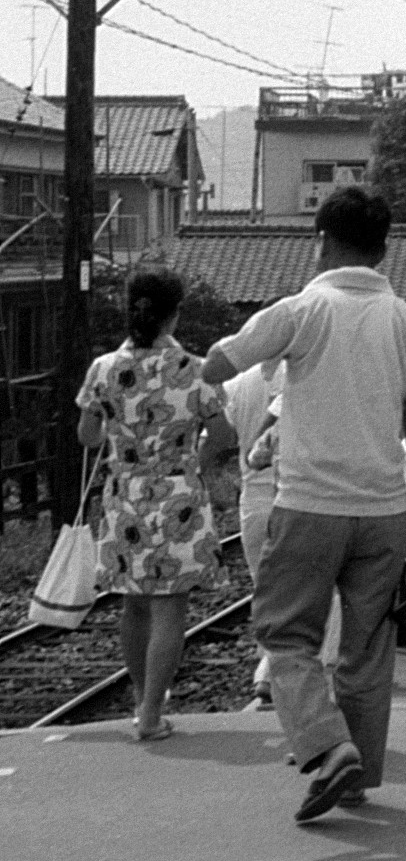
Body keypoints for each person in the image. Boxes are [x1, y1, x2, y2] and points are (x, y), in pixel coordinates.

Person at [202, 187, 406, 824]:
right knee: (367, 648)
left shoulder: (302, 309)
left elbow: (218, 365)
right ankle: (355, 774)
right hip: (385, 510)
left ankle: (329, 747)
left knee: (285, 635)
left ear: (321, 241)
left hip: (308, 503)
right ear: (385, 250)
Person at [75, 267, 232, 742]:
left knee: (134, 606)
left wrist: (122, 442)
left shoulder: (103, 369)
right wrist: (196, 461)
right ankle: (150, 716)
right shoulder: (197, 369)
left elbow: (86, 435)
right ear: (174, 314)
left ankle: (143, 702)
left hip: (125, 496)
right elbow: (224, 435)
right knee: (170, 609)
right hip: (178, 493)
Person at [220, 354, 284, 705]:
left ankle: (268, 664)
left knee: (263, 587)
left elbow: (216, 436)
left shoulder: (238, 383)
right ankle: (277, 669)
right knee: (306, 588)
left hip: (254, 499)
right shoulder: (310, 368)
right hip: (298, 495)